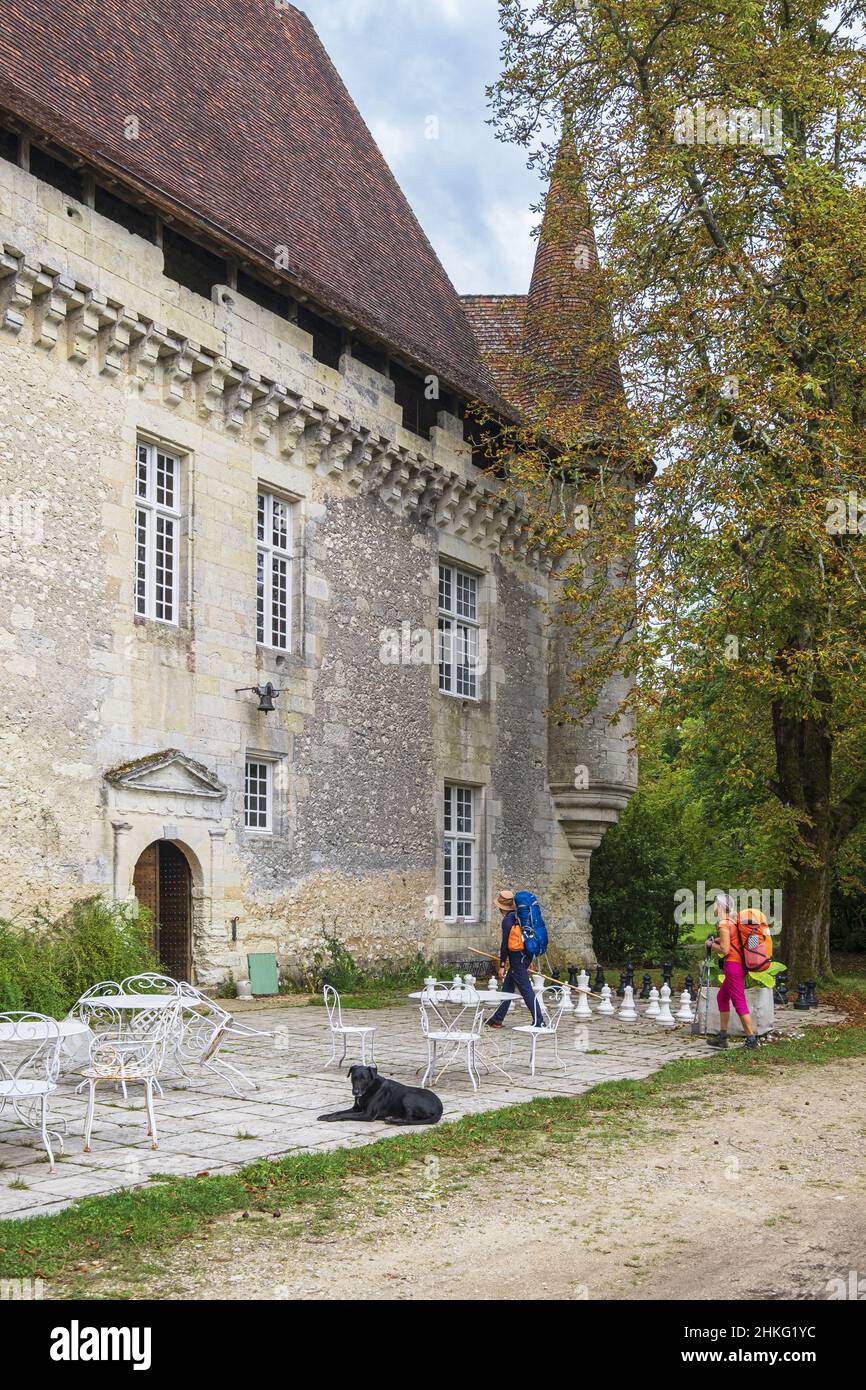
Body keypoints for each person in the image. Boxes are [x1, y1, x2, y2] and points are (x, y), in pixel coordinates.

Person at [486, 888, 545, 1029]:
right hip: (525, 956)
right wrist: (528, 961)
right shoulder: (519, 917)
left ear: (502, 907)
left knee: (526, 989)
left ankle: (539, 1020)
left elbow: (505, 945)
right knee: (508, 987)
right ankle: (497, 1019)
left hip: (517, 960)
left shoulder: (507, 920)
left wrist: (501, 965)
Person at [706, 893, 758, 1050]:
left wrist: (710, 945)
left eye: (715, 903)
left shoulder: (723, 923)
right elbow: (731, 940)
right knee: (722, 997)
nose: (713, 906)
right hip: (738, 966)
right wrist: (716, 940)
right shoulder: (732, 921)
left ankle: (751, 1040)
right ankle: (722, 1036)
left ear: (720, 906)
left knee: (739, 1002)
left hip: (733, 966)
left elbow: (725, 949)